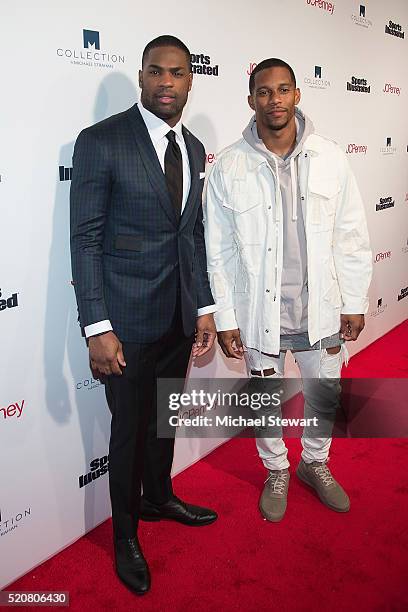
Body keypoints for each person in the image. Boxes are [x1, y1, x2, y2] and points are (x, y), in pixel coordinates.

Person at [70, 35, 217, 595]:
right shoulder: (101, 141)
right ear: (140, 76)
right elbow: (84, 240)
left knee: (163, 421)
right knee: (128, 434)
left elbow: (193, 237)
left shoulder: (197, 148)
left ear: (189, 80)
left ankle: (159, 498)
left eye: (177, 73)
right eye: (156, 72)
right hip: (125, 325)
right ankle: (125, 534)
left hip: (179, 320)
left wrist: (203, 308)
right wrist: (97, 326)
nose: (166, 83)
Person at [204, 58, 372, 523]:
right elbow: (216, 252)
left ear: (298, 94)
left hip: (322, 309)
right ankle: (276, 469)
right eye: (264, 91)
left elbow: (351, 235)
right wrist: (225, 317)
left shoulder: (331, 157)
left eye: (283, 89)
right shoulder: (230, 165)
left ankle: (314, 463)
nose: (274, 99)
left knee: (325, 394)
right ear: (251, 99)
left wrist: (354, 301)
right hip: (260, 314)